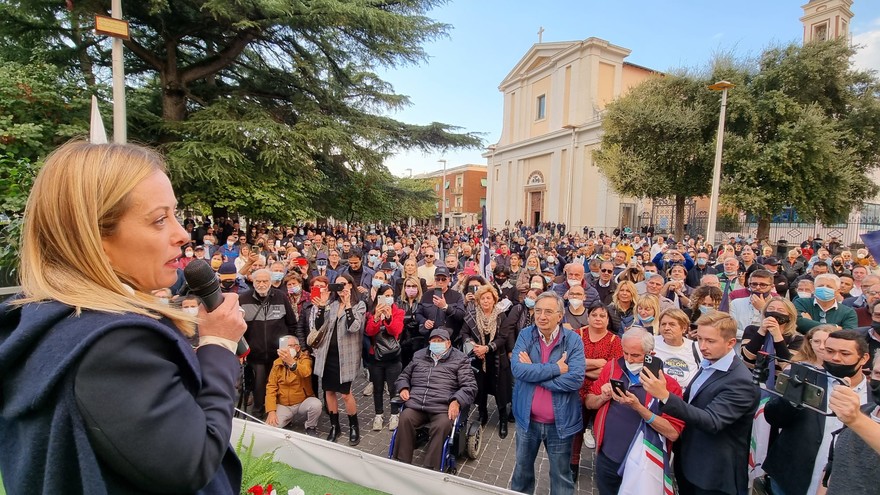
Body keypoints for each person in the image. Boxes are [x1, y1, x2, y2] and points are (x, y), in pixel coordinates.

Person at [0, 141, 246, 494]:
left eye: (175, 215)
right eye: (160, 220)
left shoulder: (46, 321)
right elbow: (191, 463)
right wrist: (218, 346)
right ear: (93, 237)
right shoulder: (112, 344)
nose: (182, 234)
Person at [641, 310, 759, 495]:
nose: (702, 346)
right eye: (700, 339)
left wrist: (665, 396)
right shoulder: (709, 363)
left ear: (730, 343)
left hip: (713, 475)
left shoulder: (741, 381)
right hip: (689, 463)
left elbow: (712, 421)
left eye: (710, 341)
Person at [763, 329, 870, 495]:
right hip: (791, 479)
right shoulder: (804, 377)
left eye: (844, 353)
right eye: (830, 351)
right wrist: (793, 399)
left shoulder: (872, 396)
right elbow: (773, 417)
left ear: (863, 358)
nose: (835, 358)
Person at [585, 327, 684, 495]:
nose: (629, 360)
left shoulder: (667, 385)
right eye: (625, 353)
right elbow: (589, 402)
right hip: (608, 458)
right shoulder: (612, 368)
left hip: (644, 464)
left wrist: (638, 407)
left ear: (650, 354)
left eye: (636, 355)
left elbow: (673, 432)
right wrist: (603, 396)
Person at [510, 292, 587, 495]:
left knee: (561, 477)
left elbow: (576, 379)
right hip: (527, 421)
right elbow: (517, 370)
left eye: (548, 311)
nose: (542, 316)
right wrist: (555, 369)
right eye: (538, 311)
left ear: (560, 316)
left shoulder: (573, 341)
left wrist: (534, 372)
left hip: (560, 424)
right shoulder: (526, 334)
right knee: (521, 474)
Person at [393, 327, 478, 470]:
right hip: (418, 404)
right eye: (434, 340)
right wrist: (403, 387)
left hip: (442, 407)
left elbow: (470, 386)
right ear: (429, 342)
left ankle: (431, 468)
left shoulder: (460, 359)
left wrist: (457, 401)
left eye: (440, 341)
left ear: (448, 343)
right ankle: (402, 463)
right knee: (405, 417)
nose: (437, 343)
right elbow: (404, 376)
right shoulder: (419, 355)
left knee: (442, 425)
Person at [310, 274, 367, 446]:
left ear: (351, 286)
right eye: (339, 284)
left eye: (344, 284)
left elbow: (354, 327)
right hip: (327, 355)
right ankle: (335, 426)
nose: (341, 288)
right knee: (328, 391)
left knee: (346, 394)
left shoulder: (359, 305)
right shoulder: (331, 304)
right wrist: (321, 306)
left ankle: (353, 426)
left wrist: (348, 304)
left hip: (346, 357)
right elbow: (319, 326)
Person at [240, 268, 298, 419]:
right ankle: (258, 413)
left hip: (277, 353)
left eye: (265, 281)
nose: (261, 284)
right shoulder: (243, 299)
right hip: (255, 353)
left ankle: (278, 413)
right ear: (253, 281)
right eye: (258, 281)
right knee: (259, 386)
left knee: (278, 384)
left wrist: (289, 346)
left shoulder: (281, 297)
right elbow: (238, 328)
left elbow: (291, 323)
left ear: (271, 282)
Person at [461, 284, 514, 437]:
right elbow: (464, 333)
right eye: (482, 298)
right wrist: (474, 347)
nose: (485, 301)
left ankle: (503, 419)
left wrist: (487, 348)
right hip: (478, 358)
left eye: (488, 298)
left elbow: (503, 337)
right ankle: (482, 414)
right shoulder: (471, 315)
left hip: (497, 358)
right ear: (478, 300)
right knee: (480, 389)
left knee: (500, 391)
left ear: (494, 300)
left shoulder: (500, 315)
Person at [575, 303, 623, 461]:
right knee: (575, 431)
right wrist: (596, 363)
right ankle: (573, 462)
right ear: (588, 316)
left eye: (602, 316)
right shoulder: (577, 335)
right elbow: (569, 363)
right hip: (575, 390)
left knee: (601, 429)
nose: (598, 318)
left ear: (608, 320)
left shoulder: (615, 341)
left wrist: (581, 367)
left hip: (599, 392)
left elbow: (610, 371)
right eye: (594, 315)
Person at [365, 284, 404, 432]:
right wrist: (376, 317)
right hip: (376, 356)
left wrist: (388, 317)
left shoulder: (398, 312)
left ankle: (394, 415)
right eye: (385, 295)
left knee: (394, 388)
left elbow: (396, 331)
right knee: (378, 388)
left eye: (390, 295)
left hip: (393, 356)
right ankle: (378, 415)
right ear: (379, 297)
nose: (388, 298)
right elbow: (369, 332)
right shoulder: (371, 312)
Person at [265, 335, 322, 436]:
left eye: (291, 346)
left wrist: (291, 362)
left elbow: (305, 372)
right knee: (270, 428)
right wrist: (271, 411)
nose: (288, 349)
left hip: (302, 401)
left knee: (316, 404)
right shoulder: (277, 364)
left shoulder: (305, 359)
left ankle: (310, 426)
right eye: (286, 346)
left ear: (298, 348)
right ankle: (287, 419)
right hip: (284, 404)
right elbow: (271, 387)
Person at [654, 309, 702, 388]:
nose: (666, 328)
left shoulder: (696, 348)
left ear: (683, 328)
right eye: (663, 324)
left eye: (672, 324)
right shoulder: (651, 343)